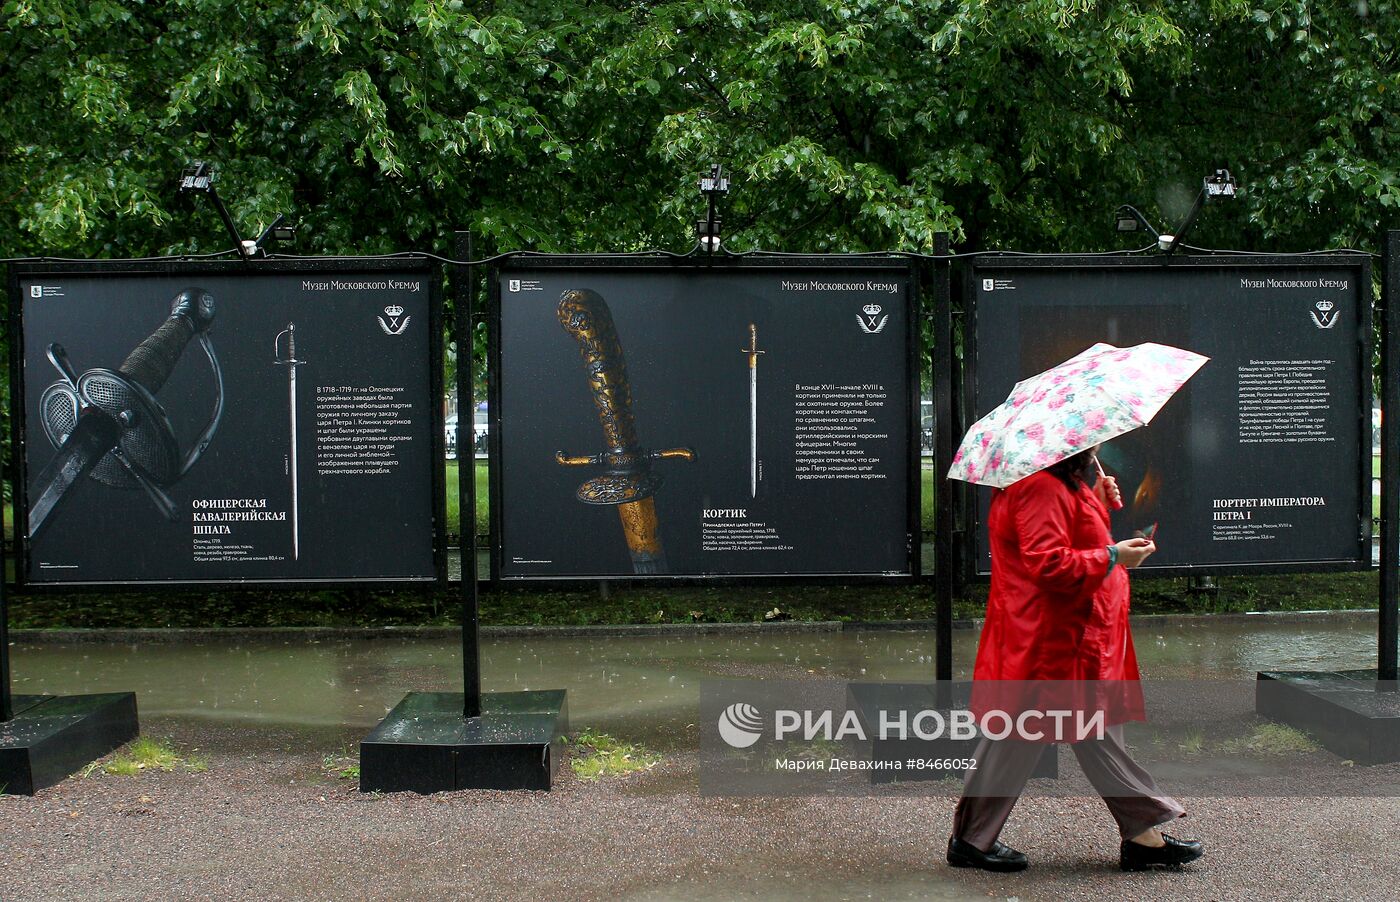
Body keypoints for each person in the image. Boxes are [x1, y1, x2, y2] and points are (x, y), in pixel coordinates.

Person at [946, 445, 1204, 873]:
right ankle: (1144, 833)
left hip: (1072, 635)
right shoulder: (1039, 488)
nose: (1098, 445)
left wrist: (1097, 503)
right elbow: (1049, 564)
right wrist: (1116, 555)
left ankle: (973, 839)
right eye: (1094, 440)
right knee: (1069, 727)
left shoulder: (1059, 483)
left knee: (1049, 730)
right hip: (1054, 640)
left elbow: (1073, 539)